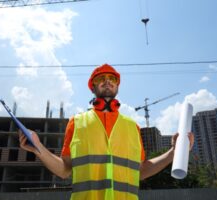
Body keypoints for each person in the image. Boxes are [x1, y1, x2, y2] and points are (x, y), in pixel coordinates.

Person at [19, 63, 194, 200]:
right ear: (92, 87)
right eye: (100, 78)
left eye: (112, 78)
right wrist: (38, 148)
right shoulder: (77, 122)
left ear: (117, 85)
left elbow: (140, 171)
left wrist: (174, 152)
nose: (107, 80)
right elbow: (65, 170)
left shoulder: (132, 127)